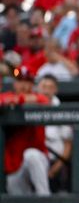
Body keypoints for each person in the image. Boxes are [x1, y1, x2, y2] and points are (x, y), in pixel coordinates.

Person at [1, 66, 50, 196]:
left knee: (31, 155)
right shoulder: (7, 97)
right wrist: (9, 101)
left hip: (38, 159)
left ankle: (45, 201)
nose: (23, 85)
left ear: (32, 84)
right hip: (14, 164)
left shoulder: (38, 98)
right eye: (19, 81)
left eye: (27, 81)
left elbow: (45, 101)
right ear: (14, 83)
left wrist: (19, 100)